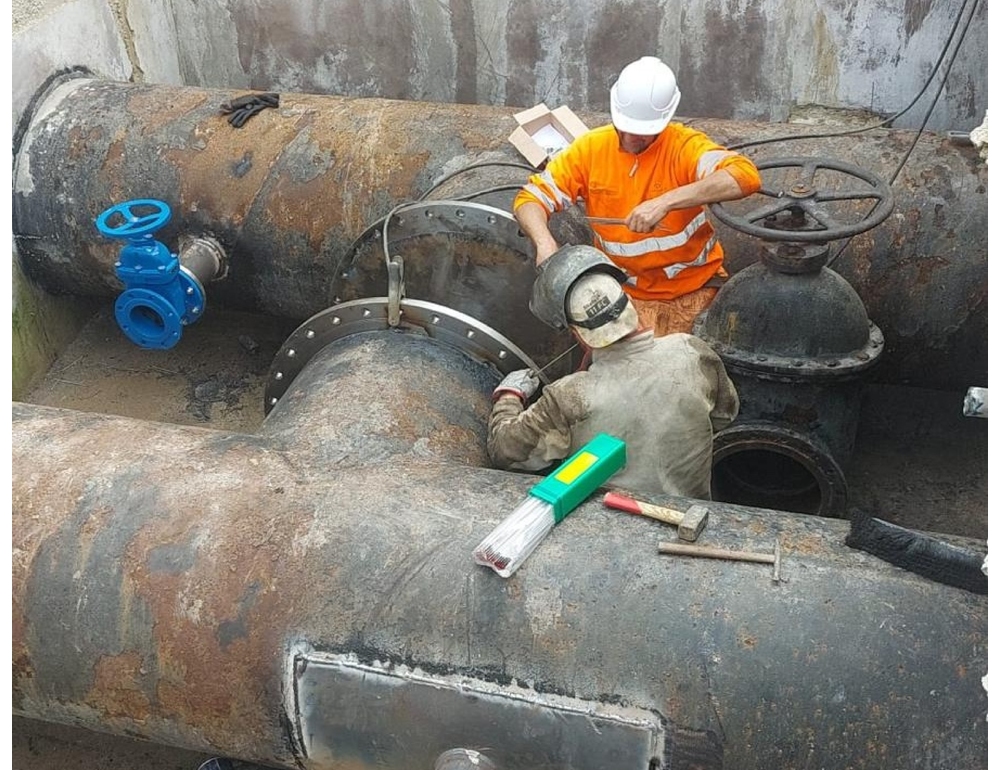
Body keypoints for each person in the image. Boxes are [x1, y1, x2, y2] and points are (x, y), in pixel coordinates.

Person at [513, 55, 762, 336]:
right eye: (626, 129)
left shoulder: (684, 147)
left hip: (696, 290)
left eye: (643, 134)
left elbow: (744, 175)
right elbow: (530, 198)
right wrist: (545, 245)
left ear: (664, 121)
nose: (632, 140)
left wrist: (665, 202)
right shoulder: (591, 150)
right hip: (623, 294)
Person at [488, 244, 739, 500]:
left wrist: (510, 396)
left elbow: (507, 454)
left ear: (577, 334)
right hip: (695, 514)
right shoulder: (693, 352)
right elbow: (725, 417)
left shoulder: (568, 397)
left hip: (611, 525)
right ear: (629, 302)